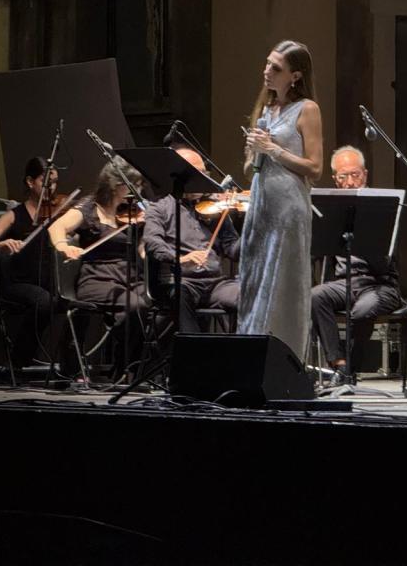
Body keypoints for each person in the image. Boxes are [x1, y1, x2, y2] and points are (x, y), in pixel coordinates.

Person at [239, 40, 324, 357]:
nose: (267, 71)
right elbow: (250, 169)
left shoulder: (307, 109)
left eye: (276, 67)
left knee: (282, 287)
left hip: (289, 210)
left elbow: (315, 168)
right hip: (261, 205)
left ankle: (283, 360)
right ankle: (251, 354)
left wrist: (273, 148)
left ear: (295, 76)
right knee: (254, 280)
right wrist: (253, 151)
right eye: (267, 63)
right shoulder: (266, 110)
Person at [310, 145, 405, 384]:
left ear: (365, 174)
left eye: (355, 175)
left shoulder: (380, 206)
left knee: (363, 309)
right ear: (335, 179)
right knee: (316, 296)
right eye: (343, 177)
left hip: (380, 284)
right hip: (344, 283)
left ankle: (350, 369)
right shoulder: (331, 209)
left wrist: (364, 239)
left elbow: (386, 262)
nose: (350, 182)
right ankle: (338, 363)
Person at [49, 159, 149, 376]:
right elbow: (57, 227)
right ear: (116, 185)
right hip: (97, 277)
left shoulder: (133, 212)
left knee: (155, 304)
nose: (139, 191)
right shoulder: (90, 207)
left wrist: (147, 243)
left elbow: (141, 248)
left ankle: (127, 367)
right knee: (136, 306)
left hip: (130, 276)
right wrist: (63, 246)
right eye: (134, 185)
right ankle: (124, 368)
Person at [142, 148, 241, 333]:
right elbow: (153, 244)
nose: (204, 180)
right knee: (180, 294)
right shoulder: (159, 208)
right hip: (182, 282)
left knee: (248, 295)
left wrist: (254, 230)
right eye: (198, 174)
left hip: (215, 284)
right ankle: (193, 349)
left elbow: (232, 249)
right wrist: (181, 259)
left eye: (204, 174)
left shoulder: (215, 208)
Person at [0, 158, 59, 367]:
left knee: (77, 302)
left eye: (55, 183)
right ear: (30, 182)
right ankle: (19, 358)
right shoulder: (14, 215)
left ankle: (71, 367)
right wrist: (1, 244)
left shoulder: (56, 214)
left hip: (49, 283)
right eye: (45, 182)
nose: (52, 188)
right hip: (18, 283)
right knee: (44, 301)